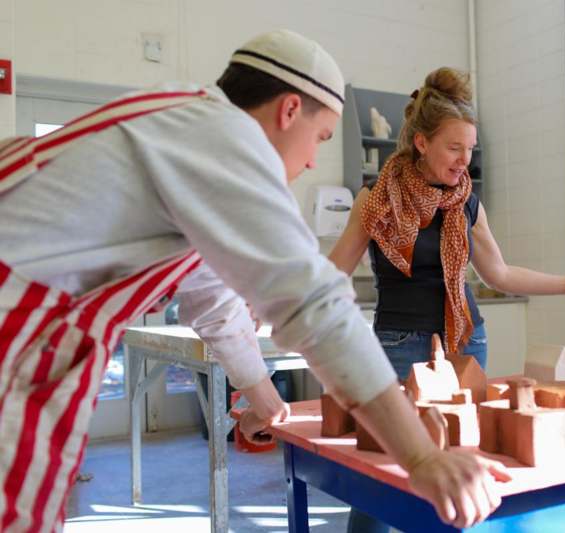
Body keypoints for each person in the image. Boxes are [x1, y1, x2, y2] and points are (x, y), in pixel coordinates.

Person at [0, 30, 508, 532]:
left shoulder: (186, 122)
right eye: (320, 138)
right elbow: (319, 309)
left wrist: (268, 405)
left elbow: (213, 303)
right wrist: (421, 459)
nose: (312, 160)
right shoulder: (225, 142)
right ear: (289, 110)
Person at [329, 67, 565, 532]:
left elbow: (498, 273)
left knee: (463, 459)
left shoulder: (466, 201)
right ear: (422, 143)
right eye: (454, 147)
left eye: (470, 149)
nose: (465, 160)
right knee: (386, 467)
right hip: (399, 345)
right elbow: (334, 270)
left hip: (466, 342)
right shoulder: (378, 197)